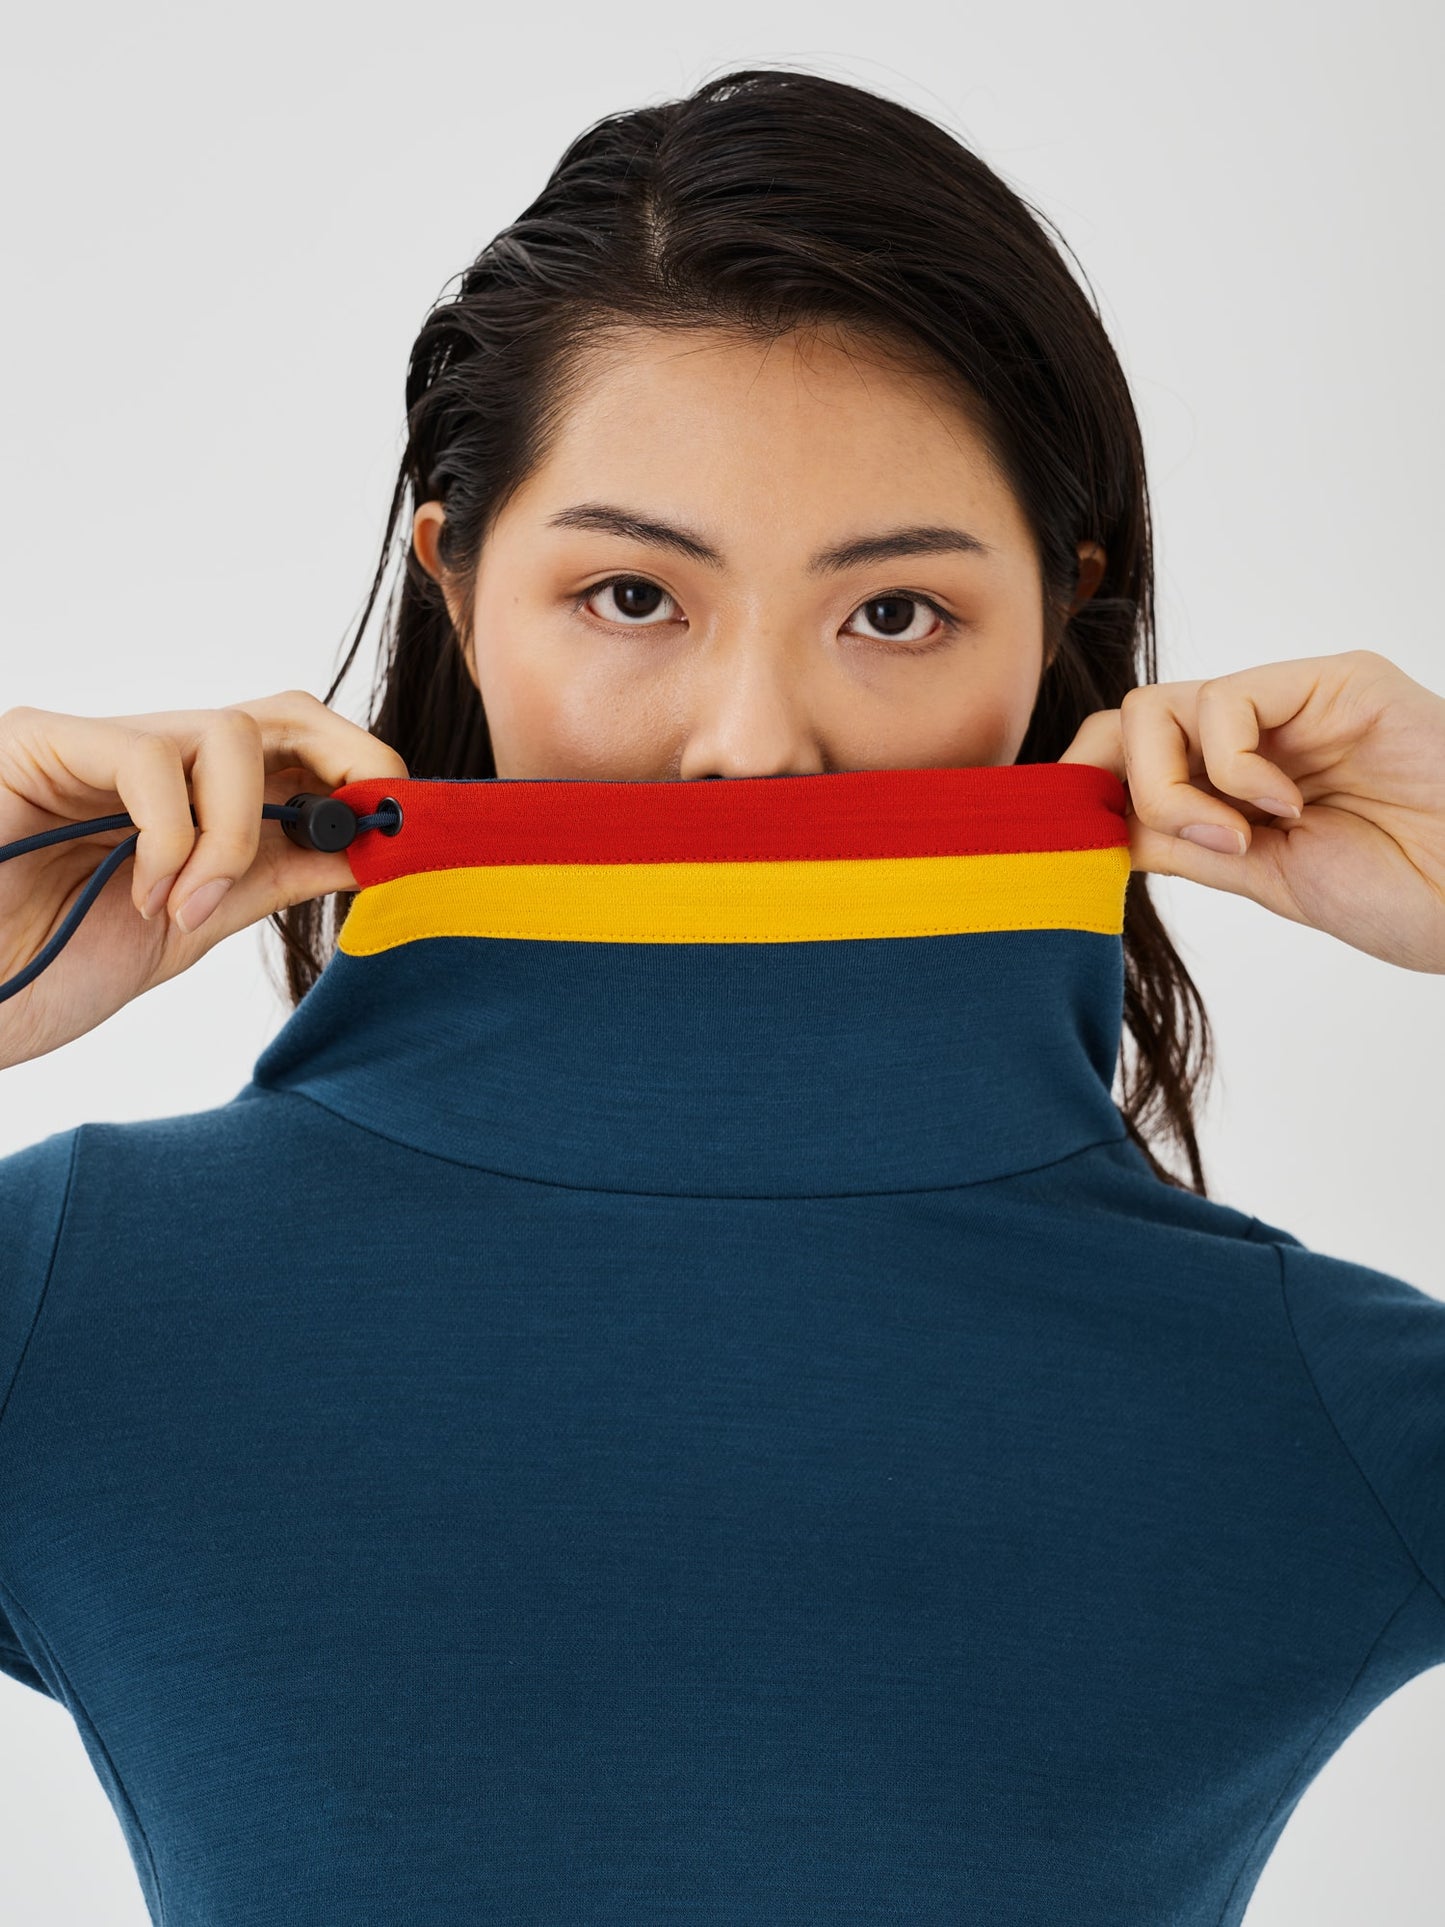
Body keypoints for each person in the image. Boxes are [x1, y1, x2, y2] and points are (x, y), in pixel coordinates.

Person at [1, 63, 1442, 1927]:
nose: (750, 748)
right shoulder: (76, 1300)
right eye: (629, 597)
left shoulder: (1307, 1391)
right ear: (455, 580)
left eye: (893, 613)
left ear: (1058, 621)